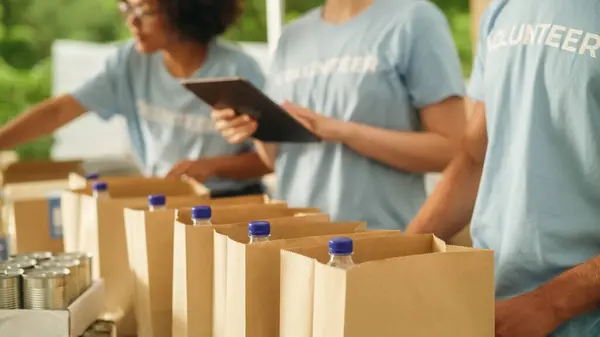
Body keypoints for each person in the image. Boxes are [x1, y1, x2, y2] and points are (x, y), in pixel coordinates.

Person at [405, 0, 600, 336]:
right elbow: (474, 158)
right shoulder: (503, 10)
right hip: (493, 306)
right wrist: (399, 253)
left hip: (579, 317)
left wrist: (549, 303)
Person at [213, 0, 467, 229]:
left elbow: (451, 150)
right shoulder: (292, 36)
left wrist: (344, 132)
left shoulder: (415, 19)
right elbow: (275, 160)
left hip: (380, 243)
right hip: (295, 240)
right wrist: (253, 127)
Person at [0, 0, 271, 197]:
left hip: (232, 204)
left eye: (144, 10)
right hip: (162, 199)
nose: (132, 21)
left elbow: (269, 159)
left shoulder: (237, 70)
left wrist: (212, 167)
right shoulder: (129, 62)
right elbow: (59, 111)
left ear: (183, 10)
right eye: (127, 8)